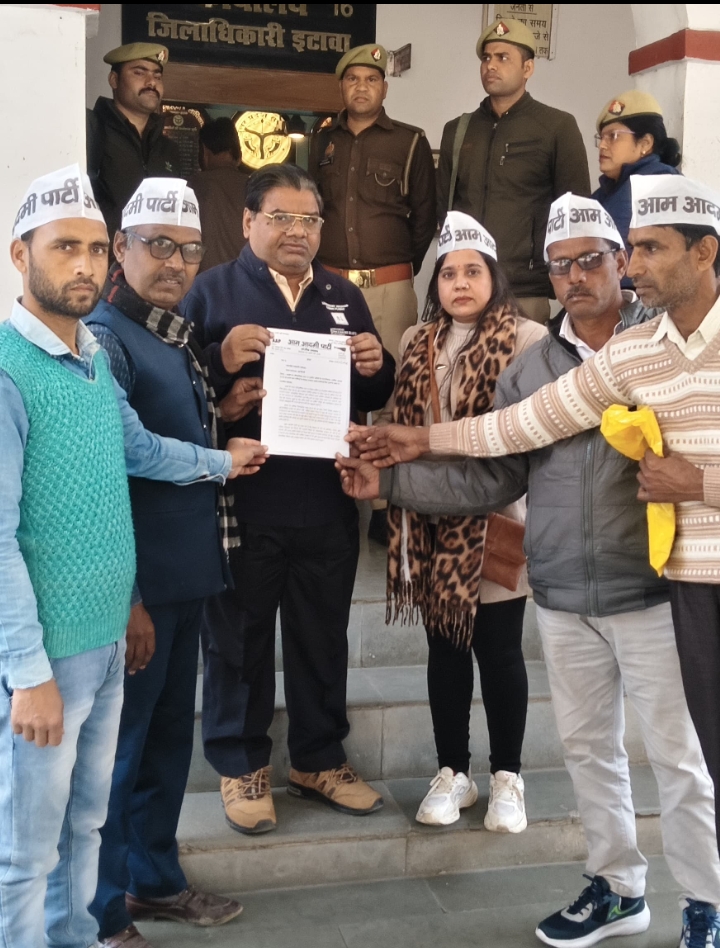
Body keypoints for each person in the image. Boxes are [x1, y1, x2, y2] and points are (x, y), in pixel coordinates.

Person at [340, 190, 720, 946]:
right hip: (563, 591)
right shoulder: (538, 365)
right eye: (559, 265)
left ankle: (706, 904)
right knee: (588, 751)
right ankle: (617, 888)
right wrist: (394, 478)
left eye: (594, 260)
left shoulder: (655, 341)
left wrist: (702, 484)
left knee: (681, 761)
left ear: (619, 261)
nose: (577, 277)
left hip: (657, 590)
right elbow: (500, 457)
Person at [0, 165, 263, 948]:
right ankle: (93, 919)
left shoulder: (89, 356)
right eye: (65, 247)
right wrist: (30, 670)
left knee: (98, 805)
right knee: (32, 844)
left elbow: (139, 449)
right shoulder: (36, 363)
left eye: (89, 248)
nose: (82, 264)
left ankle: (112, 910)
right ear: (21, 254)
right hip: (64, 642)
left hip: (120, 624)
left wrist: (222, 459)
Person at [179, 163, 395, 835]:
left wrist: (376, 364)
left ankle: (319, 758)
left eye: (309, 219)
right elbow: (177, 391)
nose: (296, 231)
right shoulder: (211, 290)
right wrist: (220, 366)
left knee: (321, 636)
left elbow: (371, 393)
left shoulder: (342, 295)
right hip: (246, 502)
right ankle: (241, 763)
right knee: (237, 641)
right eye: (281, 217)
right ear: (249, 222)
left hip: (327, 500)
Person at [86, 179, 253, 948]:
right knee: (118, 756)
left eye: (189, 249)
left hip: (186, 577)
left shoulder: (171, 333)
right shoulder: (105, 337)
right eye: (159, 245)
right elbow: (117, 461)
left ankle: (153, 880)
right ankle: (102, 911)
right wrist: (128, 599)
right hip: (140, 589)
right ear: (121, 248)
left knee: (163, 747)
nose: (176, 263)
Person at [384, 211, 544, 829]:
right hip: (429, 520)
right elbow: (399, 423)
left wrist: (427, 446)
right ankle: (453, 773)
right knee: (445, 650)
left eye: (472, 271)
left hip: (496, 517)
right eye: (448, 274)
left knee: (500, 651)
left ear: (494, 276)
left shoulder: (528, 339)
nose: (460, 283)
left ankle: (508, 776)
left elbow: (512, 435)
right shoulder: (415, 339)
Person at [310, 43, 437, 543]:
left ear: (384, 88)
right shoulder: (322, 141)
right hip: (329, 285)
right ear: (341, 86)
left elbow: (425, 219)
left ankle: (384, 499)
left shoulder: (410, 141)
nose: (361, 87)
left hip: (389, 284)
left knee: (393, 387)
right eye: (352, 79)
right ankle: (333, 481)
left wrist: (398, 270)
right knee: (329, 383)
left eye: (371, 79)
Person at [437, 19, 590, 324]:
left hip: (524, 288)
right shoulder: (458, 130)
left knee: (526, 358)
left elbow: (574, 212)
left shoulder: (556, 126)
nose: (491, 65)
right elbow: (445, 209)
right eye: (486, 58)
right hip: (465, 286)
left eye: (503, 57)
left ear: (527, 68)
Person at [87, 43, 181, 242]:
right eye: (139, 73)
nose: (151, 82)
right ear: (114, 80)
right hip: (103, 256)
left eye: (157, 76)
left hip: (154, 257)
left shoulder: (168, 150)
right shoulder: (90, 130)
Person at [593, 90, 681, 249]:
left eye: (613, 136)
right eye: (601, 137)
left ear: (645, 143)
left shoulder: (656, 185)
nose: (602, 145)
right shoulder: (608, 190)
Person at [188, 117, 249, 272]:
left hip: (204, 280)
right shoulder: (255, 187)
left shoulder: (193, 186)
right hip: (246, 279)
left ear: (204, 151)